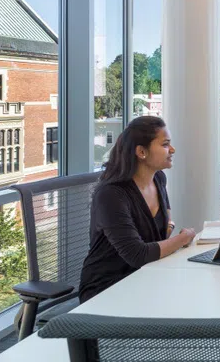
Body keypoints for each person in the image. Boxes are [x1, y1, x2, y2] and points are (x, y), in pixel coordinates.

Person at [79, 117, 196, 303]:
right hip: (108, 288)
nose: (172, 150)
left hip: (146, 277)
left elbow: (165, 224)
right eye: (165, 145)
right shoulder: (111, 195)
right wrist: (182, 239)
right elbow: (137, 255)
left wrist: (171, 229)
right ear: (141, 151)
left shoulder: (159, 180)